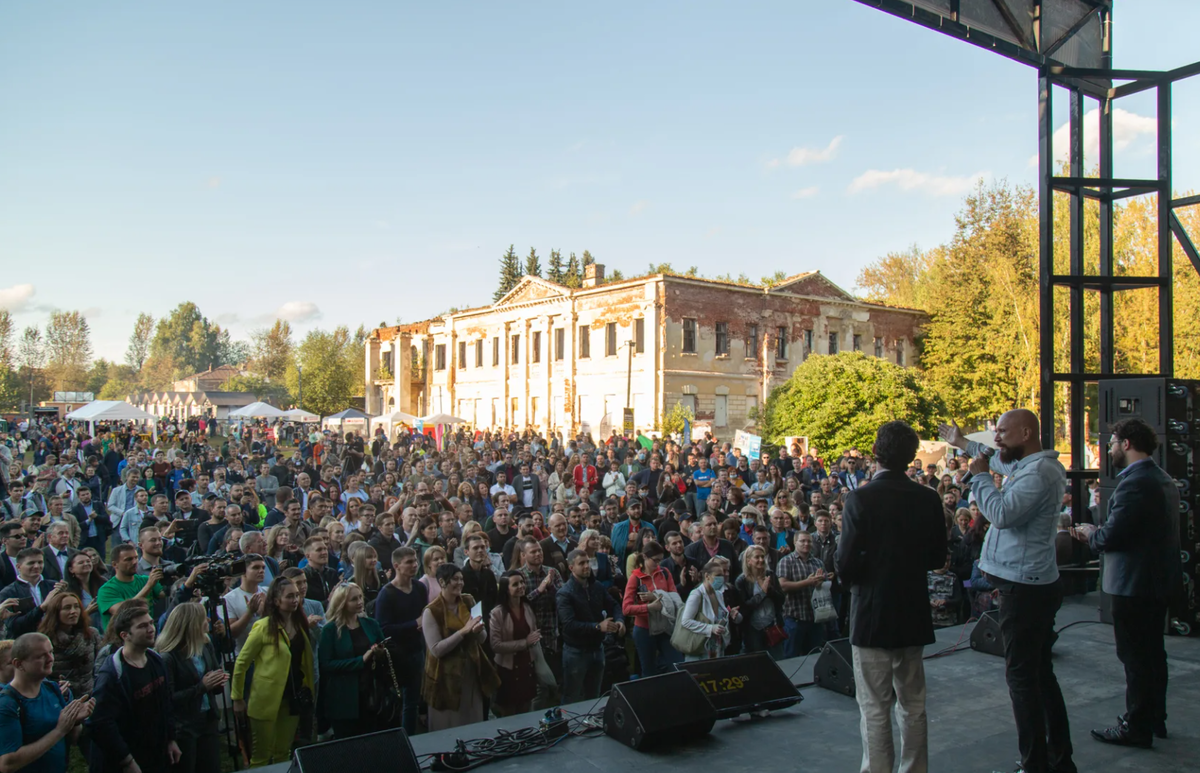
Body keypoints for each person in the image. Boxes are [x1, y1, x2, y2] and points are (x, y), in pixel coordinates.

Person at [940, 411, 1075, 773]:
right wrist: (963, 443)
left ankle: (1035, 764)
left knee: (1023, 678)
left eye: (1001, 431)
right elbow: (996, 457)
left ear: (1026, 433)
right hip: (1027, 584)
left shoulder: (1039, 473)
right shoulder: (1026, 464)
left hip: (1025, 589)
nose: (995, 438)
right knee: (1039, 674)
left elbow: (1000, 514)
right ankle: (1059, 760)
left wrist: (981, 476)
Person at [836, 420, 947, 773]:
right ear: (912, 456)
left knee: (874, 706)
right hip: (913, 611)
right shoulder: (928, 498)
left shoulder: (861, 498)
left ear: (874, 453)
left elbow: (845, 563)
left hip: (871, 614)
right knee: (913, 704)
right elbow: (936, 558)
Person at [1076, 418, 1181, 747]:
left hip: (1133, 585)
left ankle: (1137, 726)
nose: (1109, 448)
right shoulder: (1162, 479)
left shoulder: (1135, 483)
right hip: (1155, 582)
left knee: (1135, 658)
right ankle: (1154, 718)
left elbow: (1114, 534)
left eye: (1113, 442)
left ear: (1127, 444)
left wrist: (1090, 534)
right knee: (1153, 655)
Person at [232, 576, 314, 768]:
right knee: (261, 755)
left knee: (283, 752)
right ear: (277, 601)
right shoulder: (263, 627)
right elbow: (242, 663)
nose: (295, 600)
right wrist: (237, 698)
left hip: (293, 696)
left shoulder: (300, 625)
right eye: (289, 596)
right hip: (266, 698)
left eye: (296, 596)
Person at [89, 604, 181, 773]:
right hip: (124, 760)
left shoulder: (156, 660)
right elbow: (101, 723)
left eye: (151, 623)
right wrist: (126, 760)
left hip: (155, 753)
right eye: (142, 626)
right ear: (125, 635)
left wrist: (170, 739)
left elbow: (165, 703)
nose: (151, 629)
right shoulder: (112, 674)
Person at [0, 633, 94, 773]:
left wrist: (74, 721)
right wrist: (58, 730)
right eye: (41, 656)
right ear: (18, 664)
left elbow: (72, 739)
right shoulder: (8, 703)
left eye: (51, 652)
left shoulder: (52, 689)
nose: (50, 659)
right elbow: (7, 764)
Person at [421, 563, 499, 731]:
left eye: (461, 579)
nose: (460, 583)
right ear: (442, 582)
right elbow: (436, 649)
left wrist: (477, 631)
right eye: (455, 579)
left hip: (471, 673)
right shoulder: (431, 612)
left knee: (473, 723)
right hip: (445, 679)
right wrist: (463, 632)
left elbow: (482, 638)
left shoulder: (468, 600)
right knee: (449, 727)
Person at [157, 603, 227, 773]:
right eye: (204, 618)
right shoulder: (168, 657)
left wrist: (217, 682)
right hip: (184, 728)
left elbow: (214, 675)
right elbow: (169, 699)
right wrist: (201, 687)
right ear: (192, 624)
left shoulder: (205, 645)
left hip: (208, 720)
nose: (209, 621)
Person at [318, 582, 387, 740]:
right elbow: (326, 664)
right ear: (342, 603)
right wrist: (360, 660)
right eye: (354, 599)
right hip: (344, 697)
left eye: (361, 597)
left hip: (371, 691)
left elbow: (386, 648)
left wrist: (380, 652)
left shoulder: (371, 624)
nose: (360, 602)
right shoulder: (330, 630)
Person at [556, 550, 623, 704]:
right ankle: (568, 726)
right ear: (572, 567)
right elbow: (569, 625)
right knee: (572, 696)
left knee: (594, 696)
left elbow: (613, 605)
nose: (587, 566)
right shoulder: (565, 593)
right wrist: (598, 627)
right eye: (582, 563)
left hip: (597, 648)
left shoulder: (596, 586)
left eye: (588, 562)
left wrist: (620, 621)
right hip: (576, 652)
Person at [373, 547, 426, 736]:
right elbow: (383, 628)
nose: (414, 565)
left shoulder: (419, 587)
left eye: (415, 561)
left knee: (412, 701)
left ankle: (411, 738)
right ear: (396, 566)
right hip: (397, 654)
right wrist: (413, 624)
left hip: (417, 649)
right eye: (409, 562)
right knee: (398, 702)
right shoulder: (387, 594)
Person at [622, 541, 679, 677]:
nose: (658, 564)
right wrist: (648, 607)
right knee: (649, 670)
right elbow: (626, 608)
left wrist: (656, 597)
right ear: (645, 557)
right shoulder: (636, 578)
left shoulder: (664, 573)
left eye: (660, 560)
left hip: (665, 626)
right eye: (655, 560)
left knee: (677, 663)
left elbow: (675, 598)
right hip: (644, 629)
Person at [488, 571, 540, 717]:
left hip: (527, 667)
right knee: (508, 713)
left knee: (526, 711)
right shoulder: (497, 613)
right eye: (515, 584)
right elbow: (496, 645)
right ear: (506, 588)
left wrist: (535, 638)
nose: (521, 586)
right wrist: (524, 643)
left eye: (522, 582)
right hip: (507, 671)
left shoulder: (527, 608)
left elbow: (533, 631)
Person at [37, 592, 99, 698]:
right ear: (56, 612)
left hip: (90, 696)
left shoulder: (91, 634)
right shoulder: (44, 640)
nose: (73, 611)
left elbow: (99, 666)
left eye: (76, 607)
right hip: (59, 697)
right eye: (67, 608)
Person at [777, 532, 828, 658]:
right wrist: (808, 582)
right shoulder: (786, 562)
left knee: (814, 657)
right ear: (795, 542)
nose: (806, 544)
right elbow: (783, 586)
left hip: (815, 618)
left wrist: (820, 582)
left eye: (809, 541)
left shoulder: (818, 563)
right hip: (794, 618)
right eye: (803, 541)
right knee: (791, 658)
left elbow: (825, 585)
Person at [95, 545, 165, 630]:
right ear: (114, 564)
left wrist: (174, 582)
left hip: (147, 636)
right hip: (121, 640)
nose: (135, 562)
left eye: (136, 558)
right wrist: (148, 586)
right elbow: (123, 612)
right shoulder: (107, 590)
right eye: (128, 559)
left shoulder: (145, 580)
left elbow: (165, 594)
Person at [678, 559, 736, 660]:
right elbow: (685, 621)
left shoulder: (718, 594)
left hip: (716, 647)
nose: (721, 578)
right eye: (717, 575)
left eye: (722, 575)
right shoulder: (696, 594)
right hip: (699, 648)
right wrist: (710, 628)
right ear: (707, 576)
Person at [734, 545, 784, 658]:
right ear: (748, 560)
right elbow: (744, 607)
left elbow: (781, 599)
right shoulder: (741, 581)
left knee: (779, 662)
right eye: (757, 557)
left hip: (772, 625)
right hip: (753, 629)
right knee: (758, 662)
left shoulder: (770, 575)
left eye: (762, 557)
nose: (761, 560)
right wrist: (762, 593)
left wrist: (770, 590)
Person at [0, 549, 61, 638]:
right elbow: (14, 625)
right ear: (18, 567)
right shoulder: (8, 592)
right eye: (31, 563)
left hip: (54, 638)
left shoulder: (53, 586)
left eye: (40, 562)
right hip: (25, 642)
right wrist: (41, 608)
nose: (36, 566)